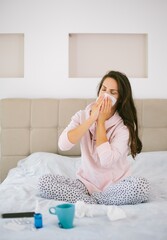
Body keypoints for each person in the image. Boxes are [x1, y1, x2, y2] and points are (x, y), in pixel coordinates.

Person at [38, 70, 150, 205]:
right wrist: (92, 119)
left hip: (115, 187)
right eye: (104, 89)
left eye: (113, 92)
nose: (106, 95)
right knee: (44, 182)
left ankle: (92, 201)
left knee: (141, 187)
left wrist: (101, 122)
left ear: (120, 99)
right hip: (86, 185)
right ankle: (94, 200)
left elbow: (106, 161)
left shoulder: (123, 127)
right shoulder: (82, 116)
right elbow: (63, 145)